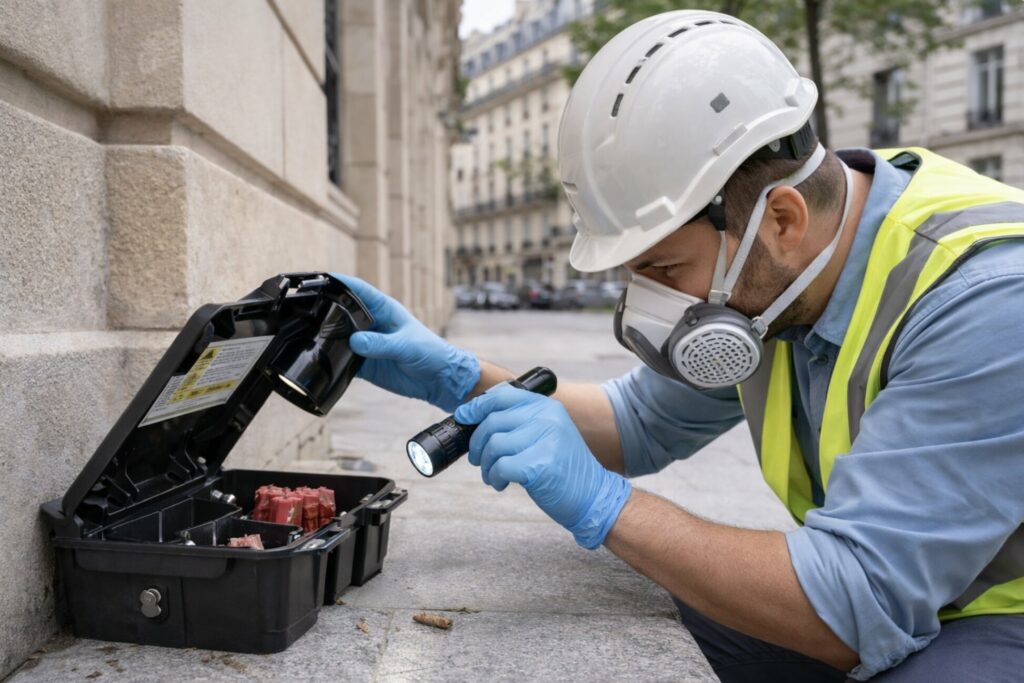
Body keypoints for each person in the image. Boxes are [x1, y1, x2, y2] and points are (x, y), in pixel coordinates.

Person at [334, 10, 1024, 682]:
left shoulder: (986, 299)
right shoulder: (780, 276)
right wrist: (458, 378)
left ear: (782, 220)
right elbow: (638, 422)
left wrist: (606, 505)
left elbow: (852, 605)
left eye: (664, 269)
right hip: (897, 593)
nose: (650, 306)